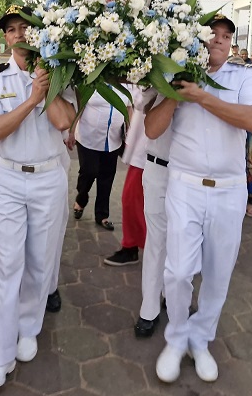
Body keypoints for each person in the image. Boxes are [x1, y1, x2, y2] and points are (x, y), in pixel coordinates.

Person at [145, 14, 252, 383]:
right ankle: (177, 336)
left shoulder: (243, 77)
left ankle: (201, 338)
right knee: (178, 271)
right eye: (213, 34)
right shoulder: (174, 74)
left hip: (229, 189)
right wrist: (178, 96)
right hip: (184, 185)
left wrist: (201, 96)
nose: (219, 40)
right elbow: (151, 129)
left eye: (227, 36)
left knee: (218, 272)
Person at [0, 5, 75, 388]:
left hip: (49, 177)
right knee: (7, 262)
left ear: (38, 35)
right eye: (12, 29)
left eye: (26, 29)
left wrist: (46, 86)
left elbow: (64, 121)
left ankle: (29, 328)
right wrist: (32, 98)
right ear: (5, 38)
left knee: (39, 259)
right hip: (8, 179)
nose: (19, 34)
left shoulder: (63, 78)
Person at [134, 87, 170, 337]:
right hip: (159, 166)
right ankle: (149, 308)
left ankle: (174, 293)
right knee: (156, 241)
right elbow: (142, 107)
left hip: (192, 174)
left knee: (185, 241)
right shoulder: (159, 74)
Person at [69, 87, 130, 231]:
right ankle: (81, 199)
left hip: (112, 140)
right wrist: (71, 131)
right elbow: (80, 107)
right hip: (88, 138)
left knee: (107, 177)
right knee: (89, 172)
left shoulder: (126, 83)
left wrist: (130, 130)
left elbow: (128, 108)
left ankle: (102, 215)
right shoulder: (92, 82)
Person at [104, 85, 147, 266]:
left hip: (159, 148)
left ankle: (151, 246)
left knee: (136, 199)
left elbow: (140, 101)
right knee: (130, 198)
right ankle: (131, 246)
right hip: (143, 144)